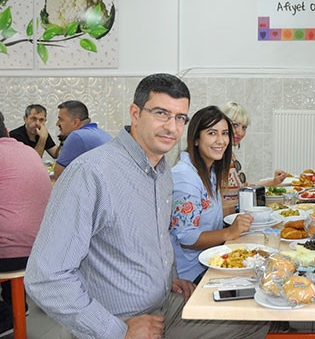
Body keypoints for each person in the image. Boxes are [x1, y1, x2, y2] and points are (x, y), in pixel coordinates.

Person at [25, 74, 268, 339]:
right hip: (120, 320)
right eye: (161, 113)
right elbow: (45, 277)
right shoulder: (91, 173)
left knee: (259, 319)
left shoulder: (161, 171)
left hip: (164, 302)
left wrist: (167, 279)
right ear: (135, 113)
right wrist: (116, 330)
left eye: (180, 118)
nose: (171, 127)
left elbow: (157, 238)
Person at [170, 106, 254, 283]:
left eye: (224, 133)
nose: (221, 141)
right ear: (195, 139)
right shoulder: (185, 177)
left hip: (210, 258)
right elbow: (187, 237)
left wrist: (241, 215)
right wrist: (229, 232)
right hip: (191, 274)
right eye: (212, 133)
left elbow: (208, 212)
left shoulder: (210, 170)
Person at [0, 110, 52, 337]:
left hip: (11, 256)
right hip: (42, 249)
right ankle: (15, 304)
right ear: (7, 131)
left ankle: (4, 317)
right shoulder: (28, 152)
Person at [220, 102, 286, 215]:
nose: (240, 132)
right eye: (235, 125)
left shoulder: (231, 155)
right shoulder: (217, 158)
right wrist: (250, 203)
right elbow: (214, 206)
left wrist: (273, 181)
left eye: (244, 127)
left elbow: (245, 187)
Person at [53, 100, 112, 179]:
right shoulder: (102, 133)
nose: (57, 123)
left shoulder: (77, 136)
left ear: (75, 122)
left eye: (61, 119)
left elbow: (59, 174)